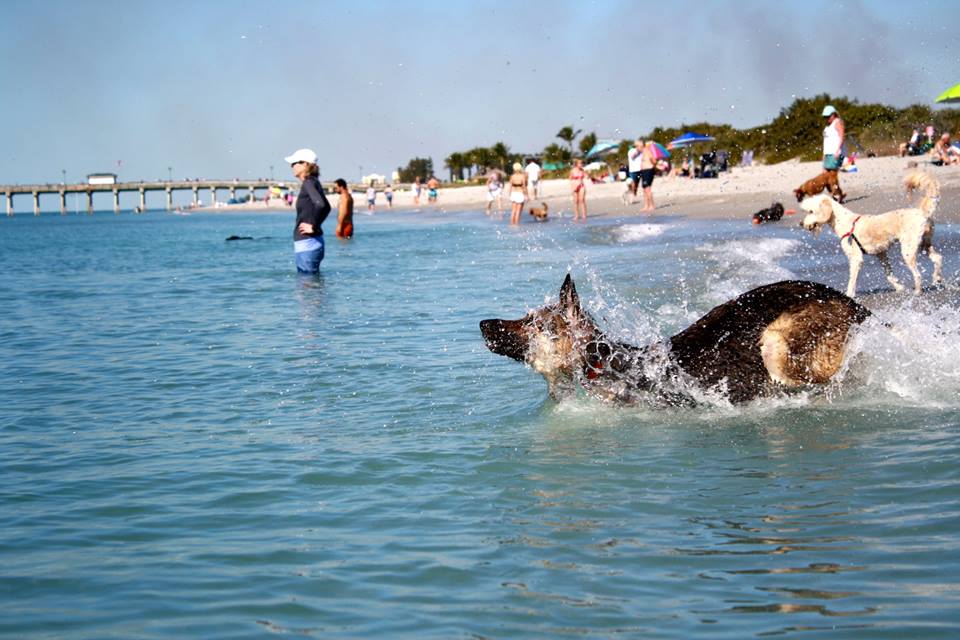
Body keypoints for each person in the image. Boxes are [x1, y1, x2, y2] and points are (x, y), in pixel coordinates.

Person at [284, 148, 330, 274]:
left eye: (294, 163)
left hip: (307, 243)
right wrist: (316, 226)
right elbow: (327, 207)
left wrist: (314, 226)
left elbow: (321, 205)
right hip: (312, 243)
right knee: (312, 287)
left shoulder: (308, 183)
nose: (291, 166)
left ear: (305, 164)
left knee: (307, 286)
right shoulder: (314, 182)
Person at [822, 105, 845, 178]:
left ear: (833, 114)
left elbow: (842, 137)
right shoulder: (828, 125)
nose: (827, 118)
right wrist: (824, 155)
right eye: (825, 117)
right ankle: (833, 189)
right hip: (827, 153)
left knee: (832, 175)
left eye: (828, 116)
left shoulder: (837, 122)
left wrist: (838, 151)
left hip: (834, 153)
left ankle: (835, 189)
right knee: (825, 175)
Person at [639, 141, 656, 212]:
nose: (637, 148)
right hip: (644, 171)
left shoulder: (647, 152)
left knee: (647, 189)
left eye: (637, 146)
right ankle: (646, 205)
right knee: (644, 189)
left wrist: (652, 164)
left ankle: (652, 205)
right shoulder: (642, 152)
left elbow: (654, 161)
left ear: (641, 146)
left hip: (648, 171)